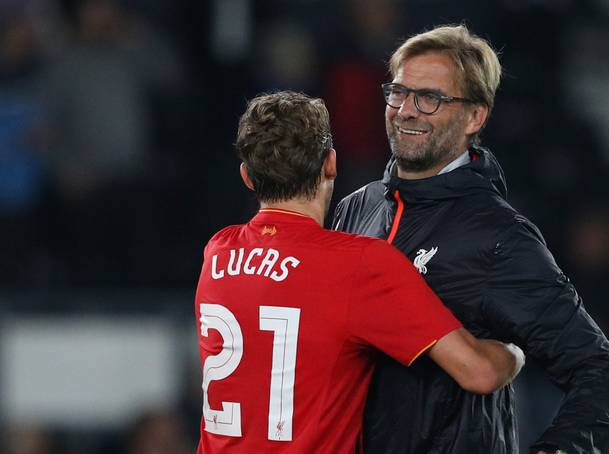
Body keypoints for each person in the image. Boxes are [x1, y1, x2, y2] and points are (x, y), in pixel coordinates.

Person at [332, 24, 609, 454]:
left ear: (475, 117)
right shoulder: (357, 207)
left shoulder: (498, 236)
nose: (406, 110)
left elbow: (599, 370)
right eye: (398, 92)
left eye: (430, 98)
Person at [193, 91, 524, 453]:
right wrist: (517, 348)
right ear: (331, 164)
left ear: (247, 176)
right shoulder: (359, 264)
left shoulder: (217, 254)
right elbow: (479, 372)